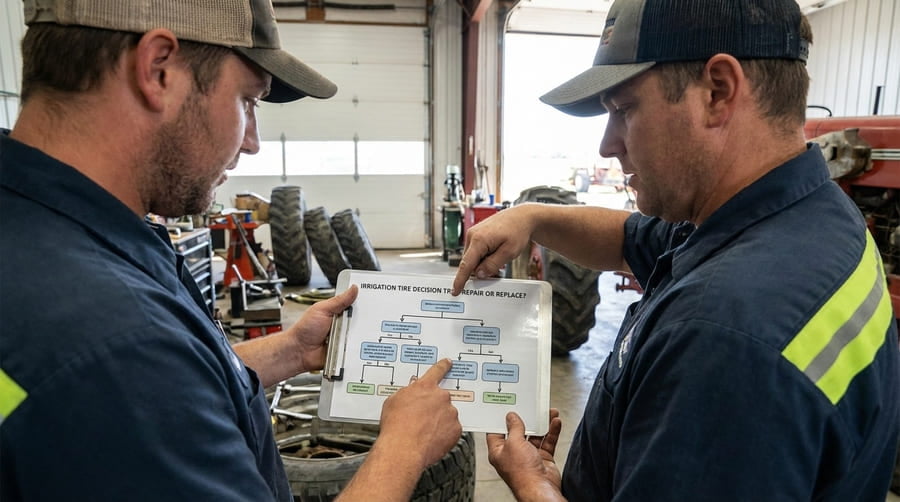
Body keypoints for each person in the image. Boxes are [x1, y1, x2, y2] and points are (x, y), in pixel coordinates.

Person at [0, 1, 461, 500]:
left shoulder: (38, 234)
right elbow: (135, 377)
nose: (253, 141)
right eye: (248, 100)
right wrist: (404, 447)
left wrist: (290, 351)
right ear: (158, 70)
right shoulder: (120, 339)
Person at [453, 0, 900, 500]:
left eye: (624, 110)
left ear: (717, 91)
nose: (607, 144)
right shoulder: (806, 218)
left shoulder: (722, 337)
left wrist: (532, 483)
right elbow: (629, 239)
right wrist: (532, 216)